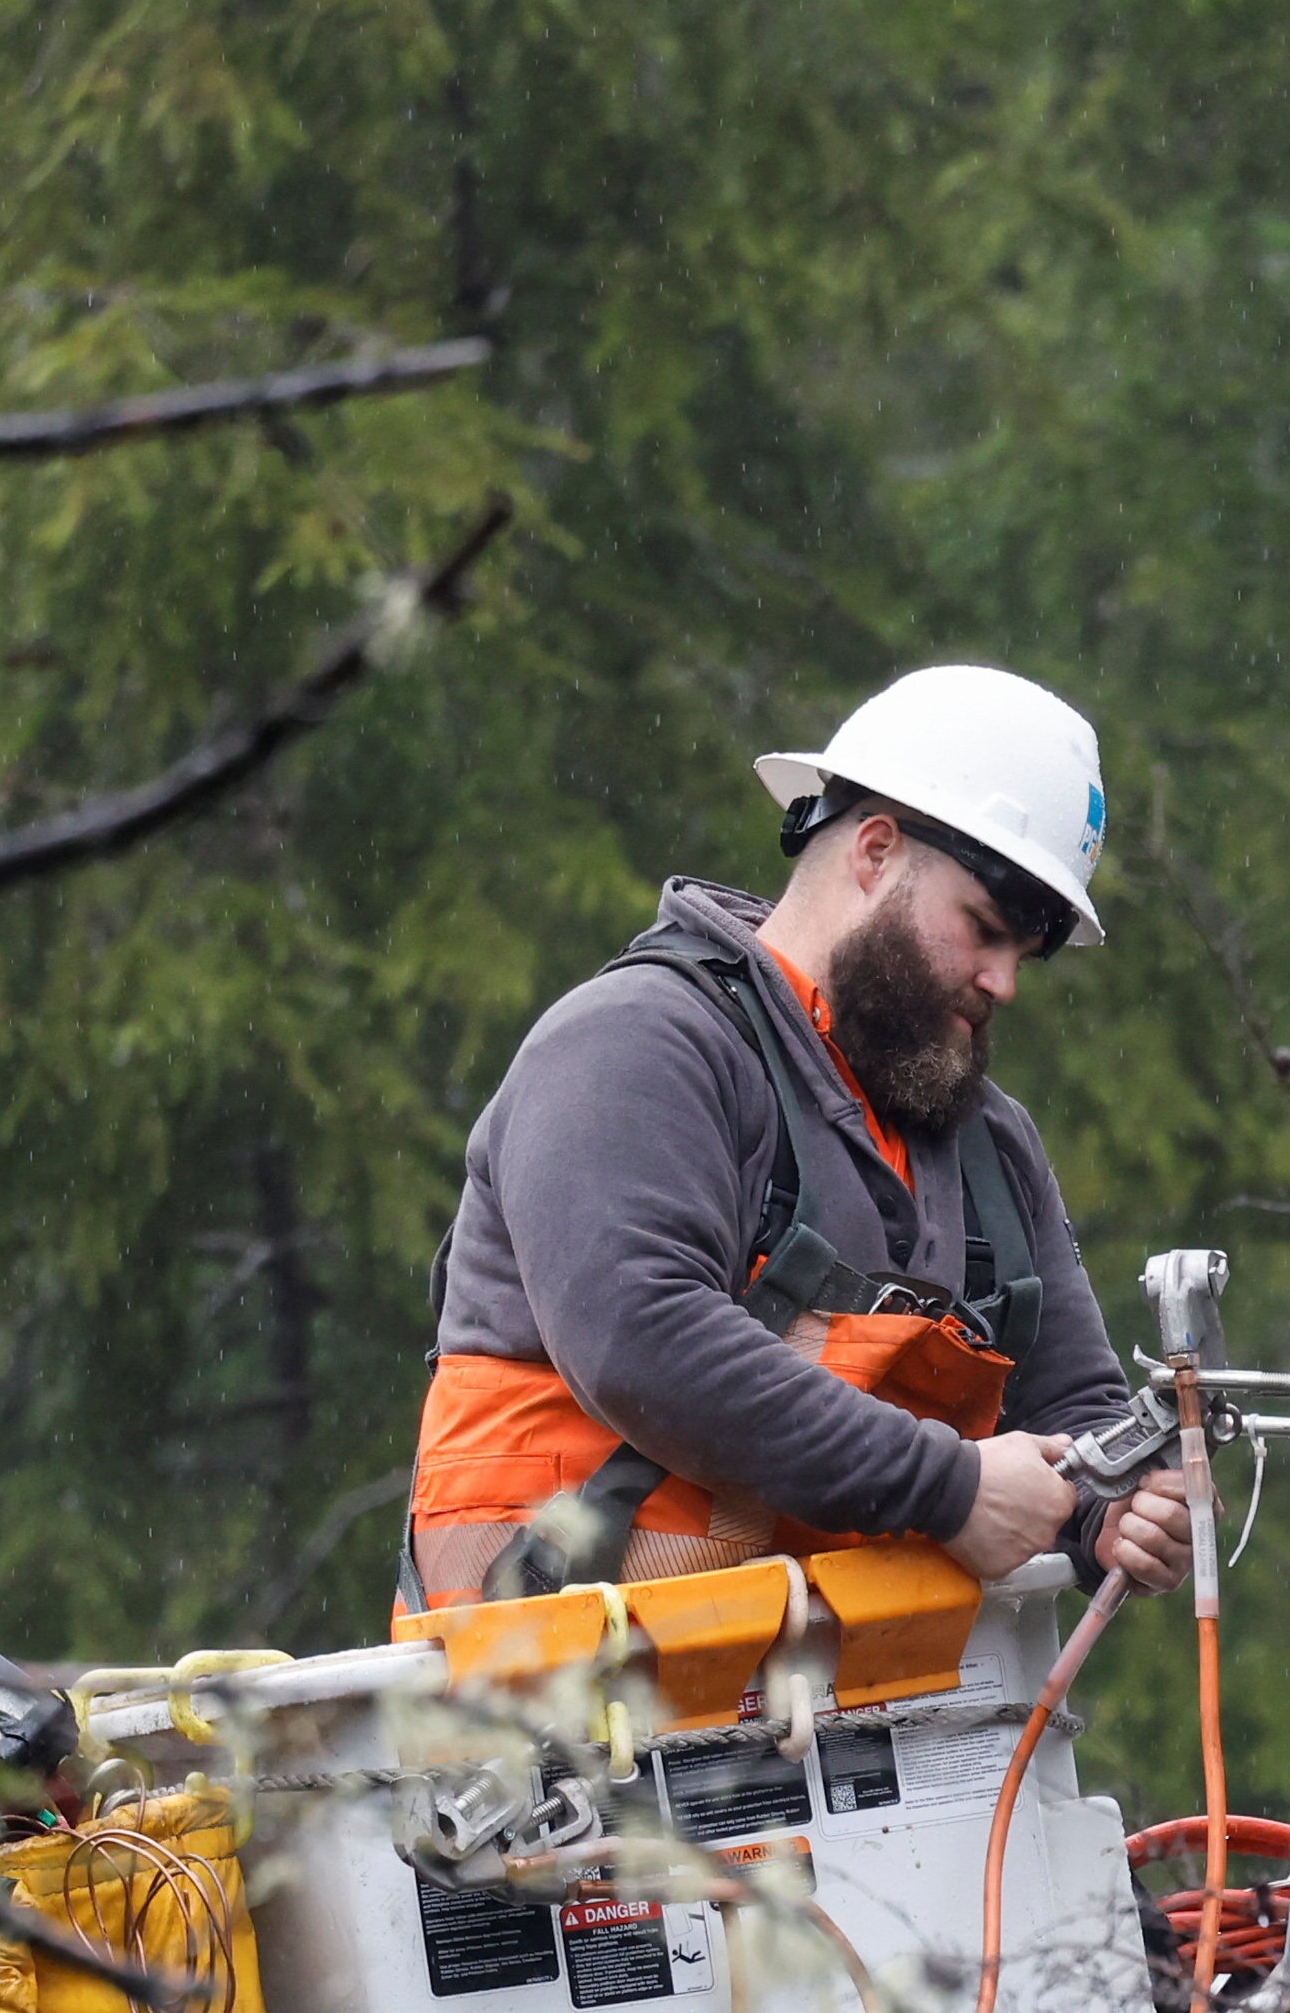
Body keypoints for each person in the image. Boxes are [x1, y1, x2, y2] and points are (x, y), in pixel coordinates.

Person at [409, 665, 1190, 1608]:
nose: (1002, 983)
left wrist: (1114, 1507)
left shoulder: (990, 1143)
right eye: (983, 930)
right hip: (556, 1719)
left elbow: (1074, 1407)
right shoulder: (633, 1043)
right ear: (873, 850)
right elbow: (643, 1338)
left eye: (1022, 955)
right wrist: (948, 1488)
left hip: (869, 1724)